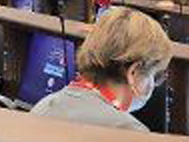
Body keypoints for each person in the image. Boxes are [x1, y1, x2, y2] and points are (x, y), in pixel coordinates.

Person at [31, 7, 172, 132]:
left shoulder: (43, 106)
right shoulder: (129, 130)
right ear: (133, 72)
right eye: (154, 76)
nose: (152, 85)